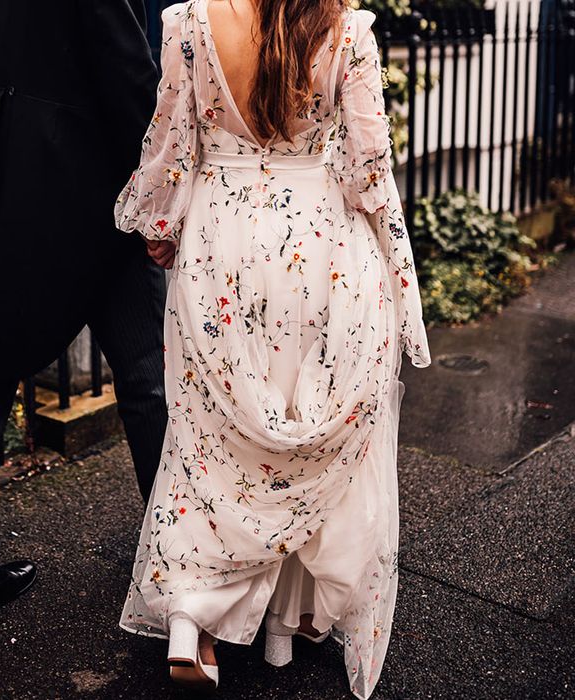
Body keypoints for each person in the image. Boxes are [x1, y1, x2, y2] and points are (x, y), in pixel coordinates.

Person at [115, 1, 431, 698]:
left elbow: (170, 140)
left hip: (220, 244)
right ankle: (290, 625)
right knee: (299, 429)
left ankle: (191, 621)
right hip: (318, 247)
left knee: (209, 436)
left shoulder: (189, 22)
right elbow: (368, 168)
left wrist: (160, 224)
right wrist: (392, 264)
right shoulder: (346, 30)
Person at [0, 0, 167, 633]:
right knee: (148, 377)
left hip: (8, 172)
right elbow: (125, 73)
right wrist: (163, 178)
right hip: (87, 184)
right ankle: (176, 566)